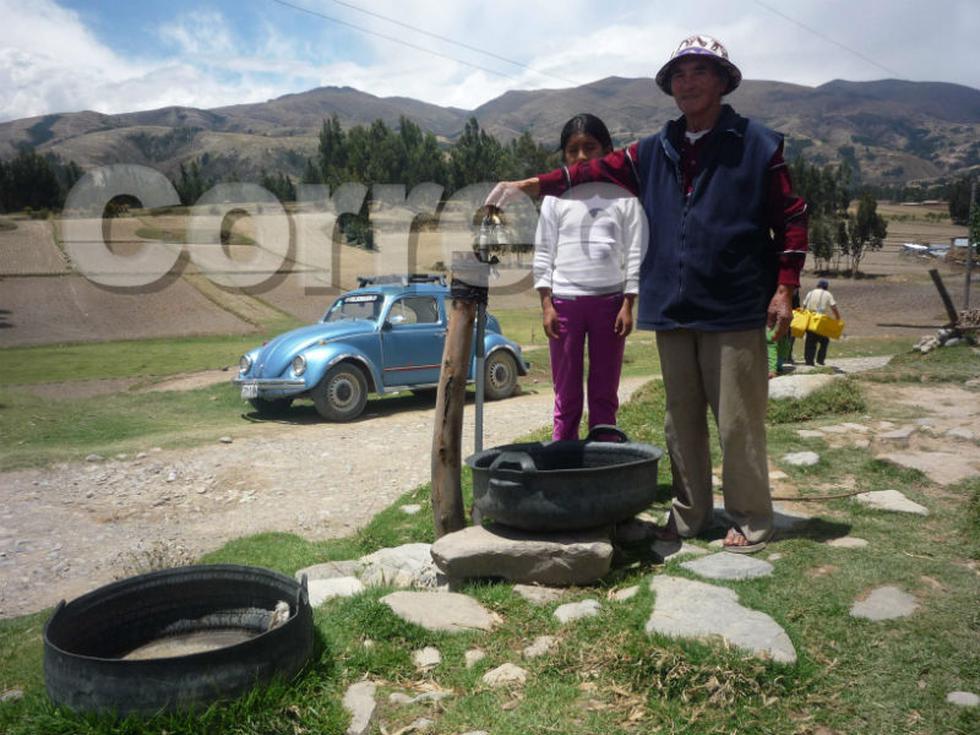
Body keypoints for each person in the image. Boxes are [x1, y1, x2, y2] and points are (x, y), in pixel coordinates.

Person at [486, 34, 808, 553]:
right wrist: (534, 185)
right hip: (674, 305)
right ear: (669, 86)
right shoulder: (655, 149)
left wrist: (786, 286)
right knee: (681, 420)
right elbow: (591, 170)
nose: (688, 82)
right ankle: (689, 514)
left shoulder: (758, 145)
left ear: (723, 80)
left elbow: (791, 217)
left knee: (737, 419)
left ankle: (751, 519)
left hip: (734, 302)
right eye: (679, 74)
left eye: (700, 71)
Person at [533, 114, 643, 440]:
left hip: (610, 305)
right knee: (565, 391)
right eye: (572, 150)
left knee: (604, 388)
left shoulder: (623, 197)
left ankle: (604, 453)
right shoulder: (555, 198)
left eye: (590, 147)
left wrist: (628, 302)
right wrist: (546, 304)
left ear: (607, 151)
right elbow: (543, 251)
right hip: (564, 303)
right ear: (564, 157)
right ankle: (563, 454)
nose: (581, 156)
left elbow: (635, 251)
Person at [802, 279, 841, 366]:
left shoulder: (810, 293)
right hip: (819, 320)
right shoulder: (827, 294)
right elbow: (833, 307)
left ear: (818, 285)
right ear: (826, 287)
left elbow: (804, 306)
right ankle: (820, 360)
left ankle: (809, 361)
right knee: (824, 340)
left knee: (810, 340)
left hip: (809, 318)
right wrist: (838, 318)